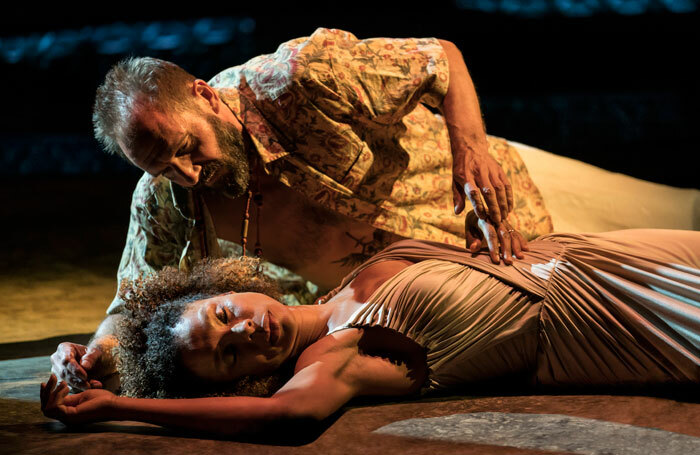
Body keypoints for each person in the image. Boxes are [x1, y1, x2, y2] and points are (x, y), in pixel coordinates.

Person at [51, 28, 554, 391]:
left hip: (484, 225)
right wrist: (90, 356)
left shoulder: (298, 79)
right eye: (162, 168)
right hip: (391, 311)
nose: (188, 174)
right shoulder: (167, 199)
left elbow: (439, 58)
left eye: (187, 147)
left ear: (203, 95)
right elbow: (131, 303)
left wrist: (473, 151)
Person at [41, 224, 700, 435]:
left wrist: (92, 352)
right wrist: (115, 406)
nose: (245, 330)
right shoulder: (332, 359)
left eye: (222, 315)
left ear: (223, 286)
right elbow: (289, 417)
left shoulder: (345, 280)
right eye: (229, 355)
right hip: (612, 321)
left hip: (606, 253)